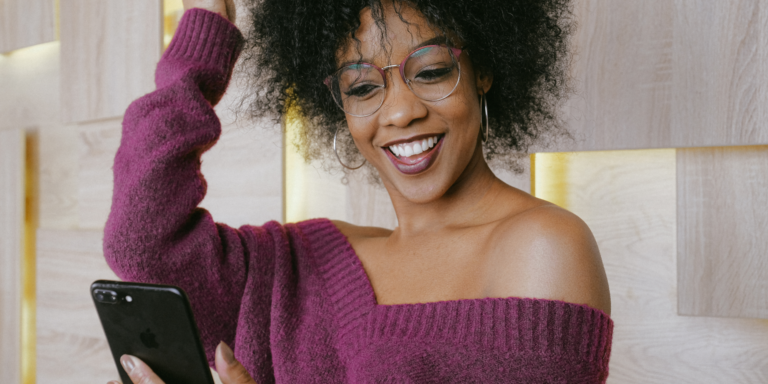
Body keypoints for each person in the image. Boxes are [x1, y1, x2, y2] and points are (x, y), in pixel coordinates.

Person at [104, 0, 613, 382]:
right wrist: (200, 48)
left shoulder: (542, 246)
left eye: (432, 71)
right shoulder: (294, 270)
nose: (399, 112)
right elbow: (142, 240)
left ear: (483, 69)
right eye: (363, 87)